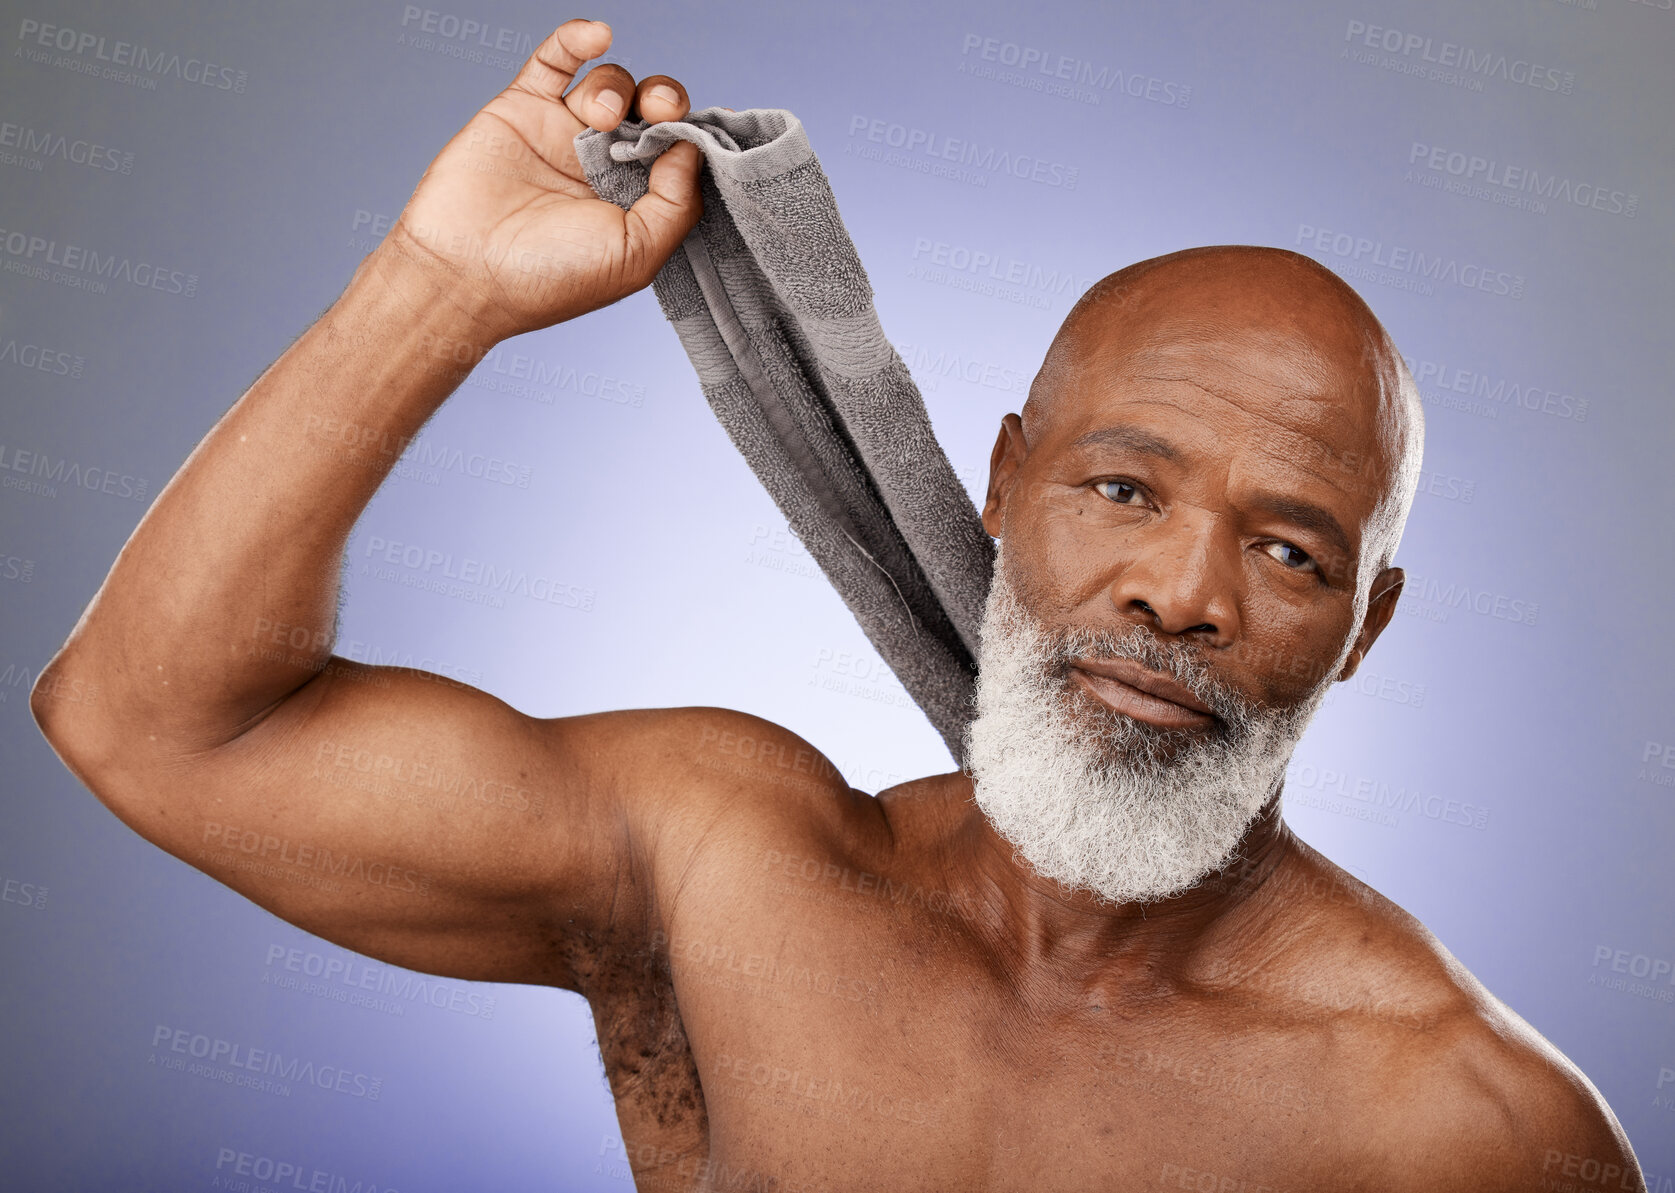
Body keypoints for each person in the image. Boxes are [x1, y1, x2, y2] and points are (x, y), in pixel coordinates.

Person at [32, 18, 1644, 1192]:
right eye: (1125, 488)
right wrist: (439, 290)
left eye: (1292, 552)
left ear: (1366, 628)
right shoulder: (727, 864)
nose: (1181, 590)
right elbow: (153, 723)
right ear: (1003, 483)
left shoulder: (1456, 1127)